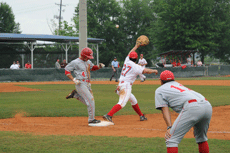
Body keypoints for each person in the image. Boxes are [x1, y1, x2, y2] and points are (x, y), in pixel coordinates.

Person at [155, 70, 212, 153]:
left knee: (171, 140)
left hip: (193, 107)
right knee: (201, 138)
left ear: (160, 80)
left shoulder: (160, 90)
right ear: (173, 79)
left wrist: (169, 126)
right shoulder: (178, 84)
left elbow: (164, 108)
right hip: (207, 105)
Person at [103, 42, 158, 123]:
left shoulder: (127, 61)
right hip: (126, 86)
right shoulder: (135, 66)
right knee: (122, 103)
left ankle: (141, 116)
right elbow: (145, 71)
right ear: (136, 59)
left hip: (120, 85)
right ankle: (109, 115)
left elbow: (129, 54)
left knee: (133, 100)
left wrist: (136, 46)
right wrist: (154, 70)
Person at [64, 47, 105, 126]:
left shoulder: (88, 61)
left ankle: (75, 95)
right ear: (83, 55)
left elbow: (92, 68)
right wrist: (73, 79)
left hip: (88, 83)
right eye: (87, 56)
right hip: (80, 83)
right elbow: (67, 70)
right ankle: (91, 120)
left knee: (90, 102)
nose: (88, 58)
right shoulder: (75, 62)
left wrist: (99, 66)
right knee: (91, 101)